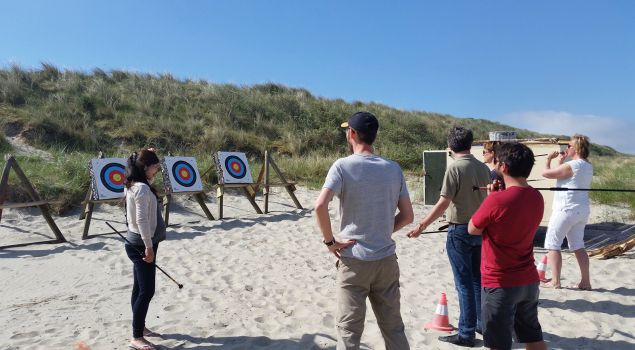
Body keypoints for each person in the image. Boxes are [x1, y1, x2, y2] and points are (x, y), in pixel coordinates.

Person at [314, 111, 414, 350]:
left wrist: (330, 242)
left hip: (354, 259)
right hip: (386, 260)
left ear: (352, 134)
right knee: (393, 327)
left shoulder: (342, 166)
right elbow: (408, 216)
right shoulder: (393, 168)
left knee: (349, 332)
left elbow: (319, 206)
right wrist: (382, 229)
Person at [408, 126, 490, 347]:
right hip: (480, 230)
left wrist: (422, 226)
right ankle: (481, 324)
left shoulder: (455, 168)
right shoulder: (483, 167)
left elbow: (443, 201)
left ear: (450, 146)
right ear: (470, 144)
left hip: (460, 231)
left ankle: (466, 333)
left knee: (464, 284)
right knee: (476, 281)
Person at [468, 142, 547, 350]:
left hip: (500, 282)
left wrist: (492, 197)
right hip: (528, 281)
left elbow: (473, 228)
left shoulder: (497, 201)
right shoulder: (537, 197)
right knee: (532, 336)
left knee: (497, 343)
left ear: (503, 167)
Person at [124, 149, 166, 350]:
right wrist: (149, 247)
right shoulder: (140, 188)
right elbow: (141, 219)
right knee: (147, 290)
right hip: (141, 244)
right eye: (155, 166)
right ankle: (136, 336)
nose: (157, 169)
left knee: (139, 288)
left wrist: (147, 153)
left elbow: (139, 164)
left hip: (138, 242)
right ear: (145, 167)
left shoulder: (135, 184)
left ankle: (140, 327)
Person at [541, 134, 593, 290]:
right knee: (578, 245)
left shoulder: (574, 165)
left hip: (566, 208)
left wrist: (548, 160)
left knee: (552, 243)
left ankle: (555, 281)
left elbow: (547, 174)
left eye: (569, 146)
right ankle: (585, 282)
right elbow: (566, 176)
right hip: (581, 208)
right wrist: (561, 161)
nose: (566, 148)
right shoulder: (587, 165)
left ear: (576, 148)